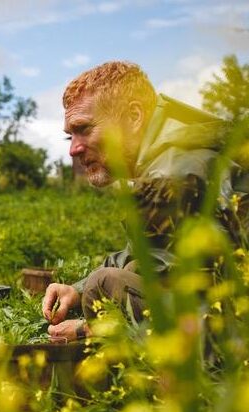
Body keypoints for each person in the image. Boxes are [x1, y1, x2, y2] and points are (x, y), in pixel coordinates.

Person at [42, 60, 245, 342]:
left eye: (85, 129)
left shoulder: (172, 171)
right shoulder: (172, 154)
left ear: (134, 116)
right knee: (125, 271)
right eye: (70, 136)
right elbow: (147, 252)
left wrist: (87, 328)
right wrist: (75, 290)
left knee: (105, 284)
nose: (74, 149)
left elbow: (199, 302)